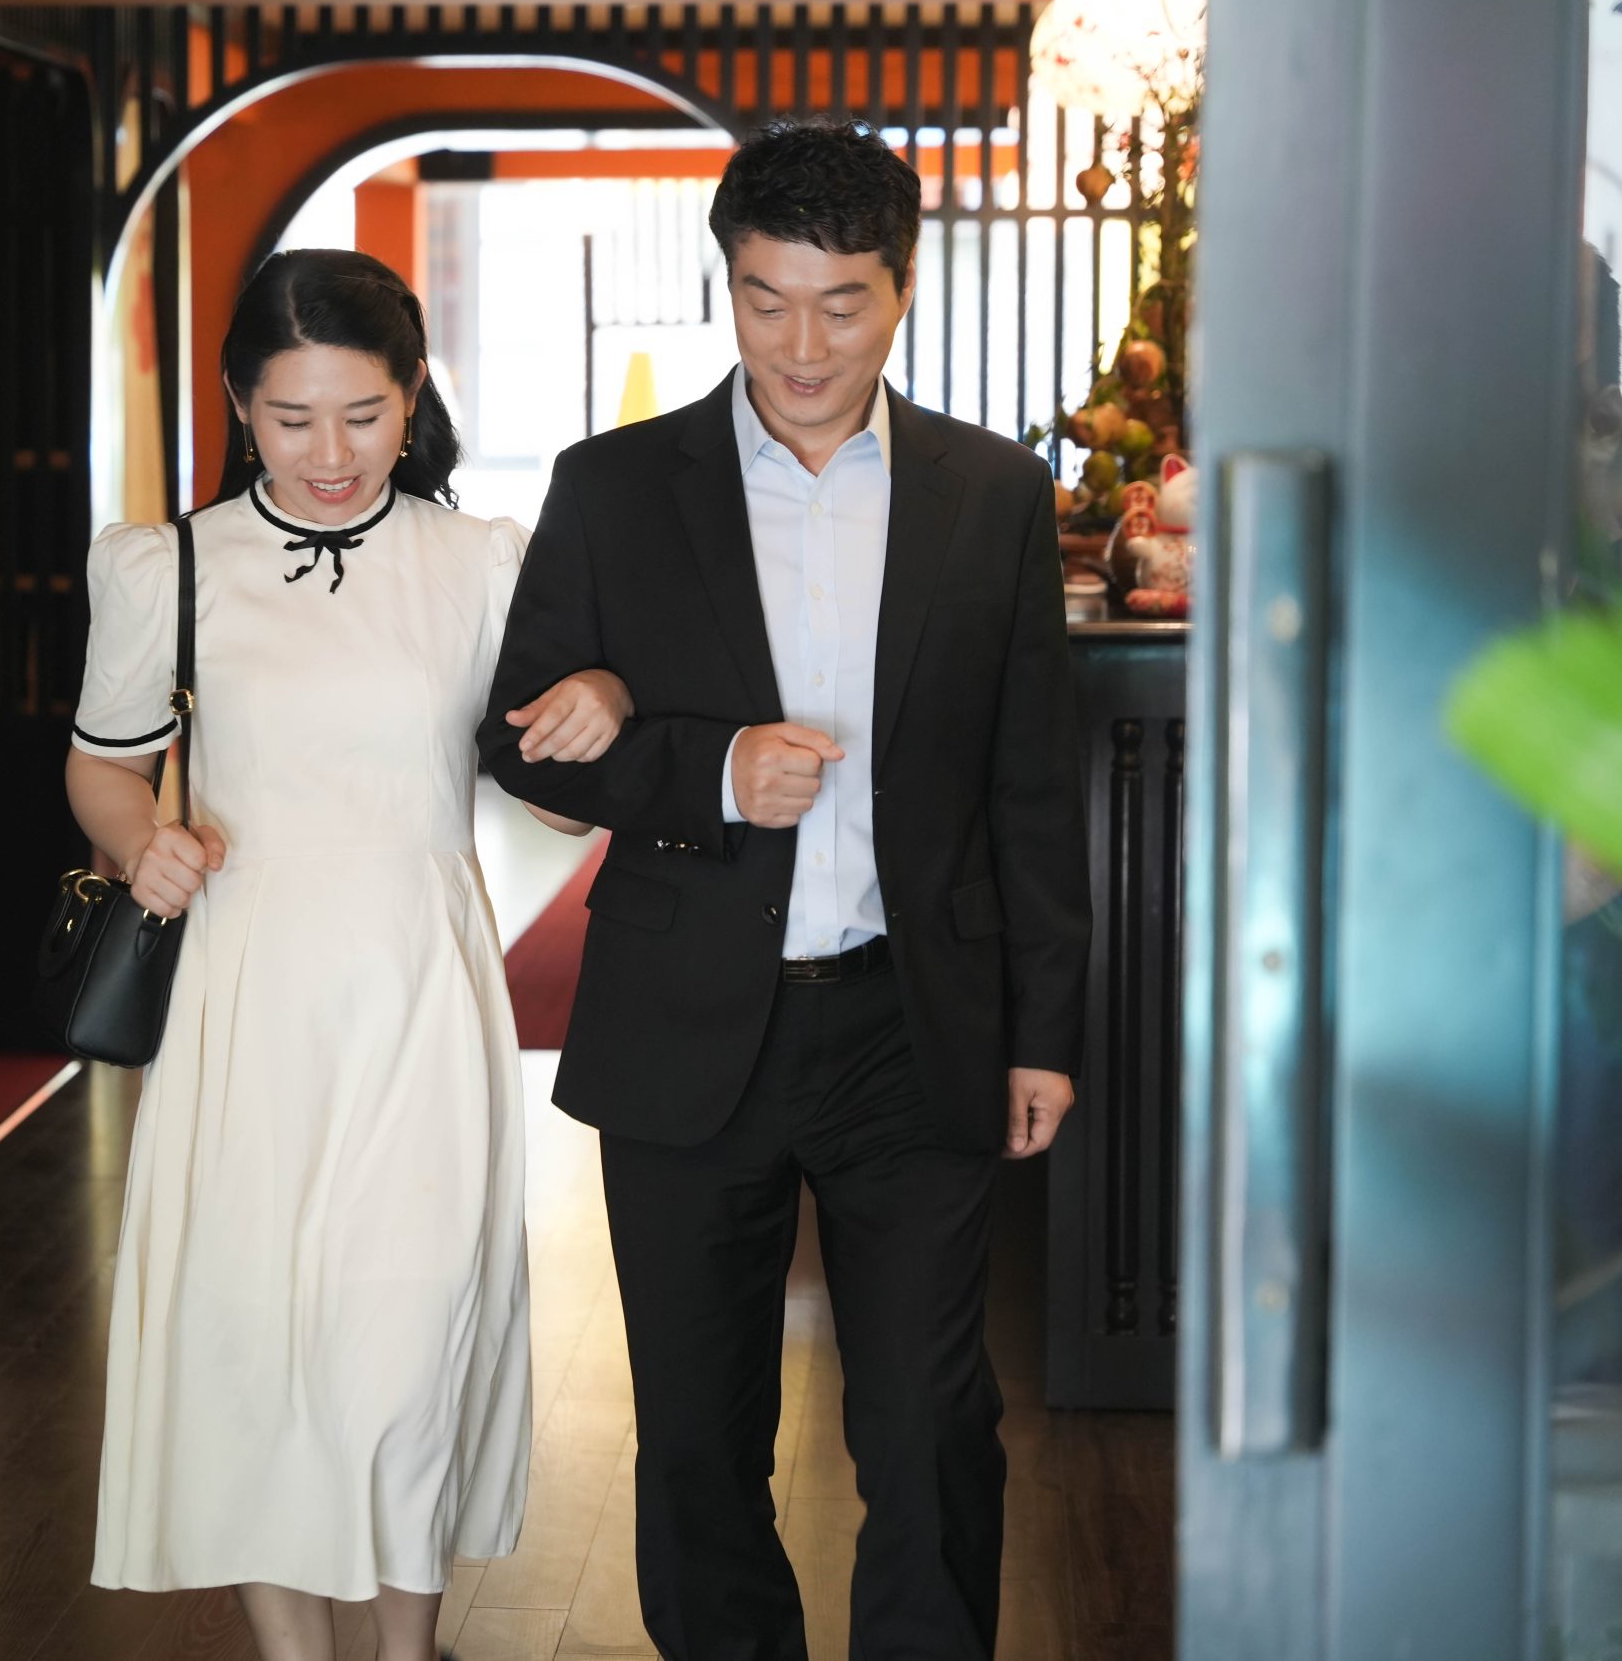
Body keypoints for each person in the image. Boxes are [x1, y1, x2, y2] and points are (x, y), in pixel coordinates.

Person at [479, 118, 1092, 1660]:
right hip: (688, 1021)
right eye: (766, 301)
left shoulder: (993, 492)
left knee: (933, 1427)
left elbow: (1031, 785)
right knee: (698, 1443)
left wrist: (1045, 1030)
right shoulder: (615, 487)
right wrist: (704, 766)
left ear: (902, 290)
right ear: (728, 286)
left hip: (913, 1019)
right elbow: (519, 739)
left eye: (842, 304)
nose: (803, 347)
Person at [67, 248, 628, 1661]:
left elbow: (556, 799)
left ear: (413, 393)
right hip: (246, 994)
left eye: (364, 415)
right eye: (291, 418)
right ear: (238, 404)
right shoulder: (168, 565)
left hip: (418, 986)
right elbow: (105, 766)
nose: (330, 454)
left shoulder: (479, 562)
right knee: (261, 1341)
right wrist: (142, 841)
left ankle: (406, 1648)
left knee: (407, 1340)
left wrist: (599, 710)